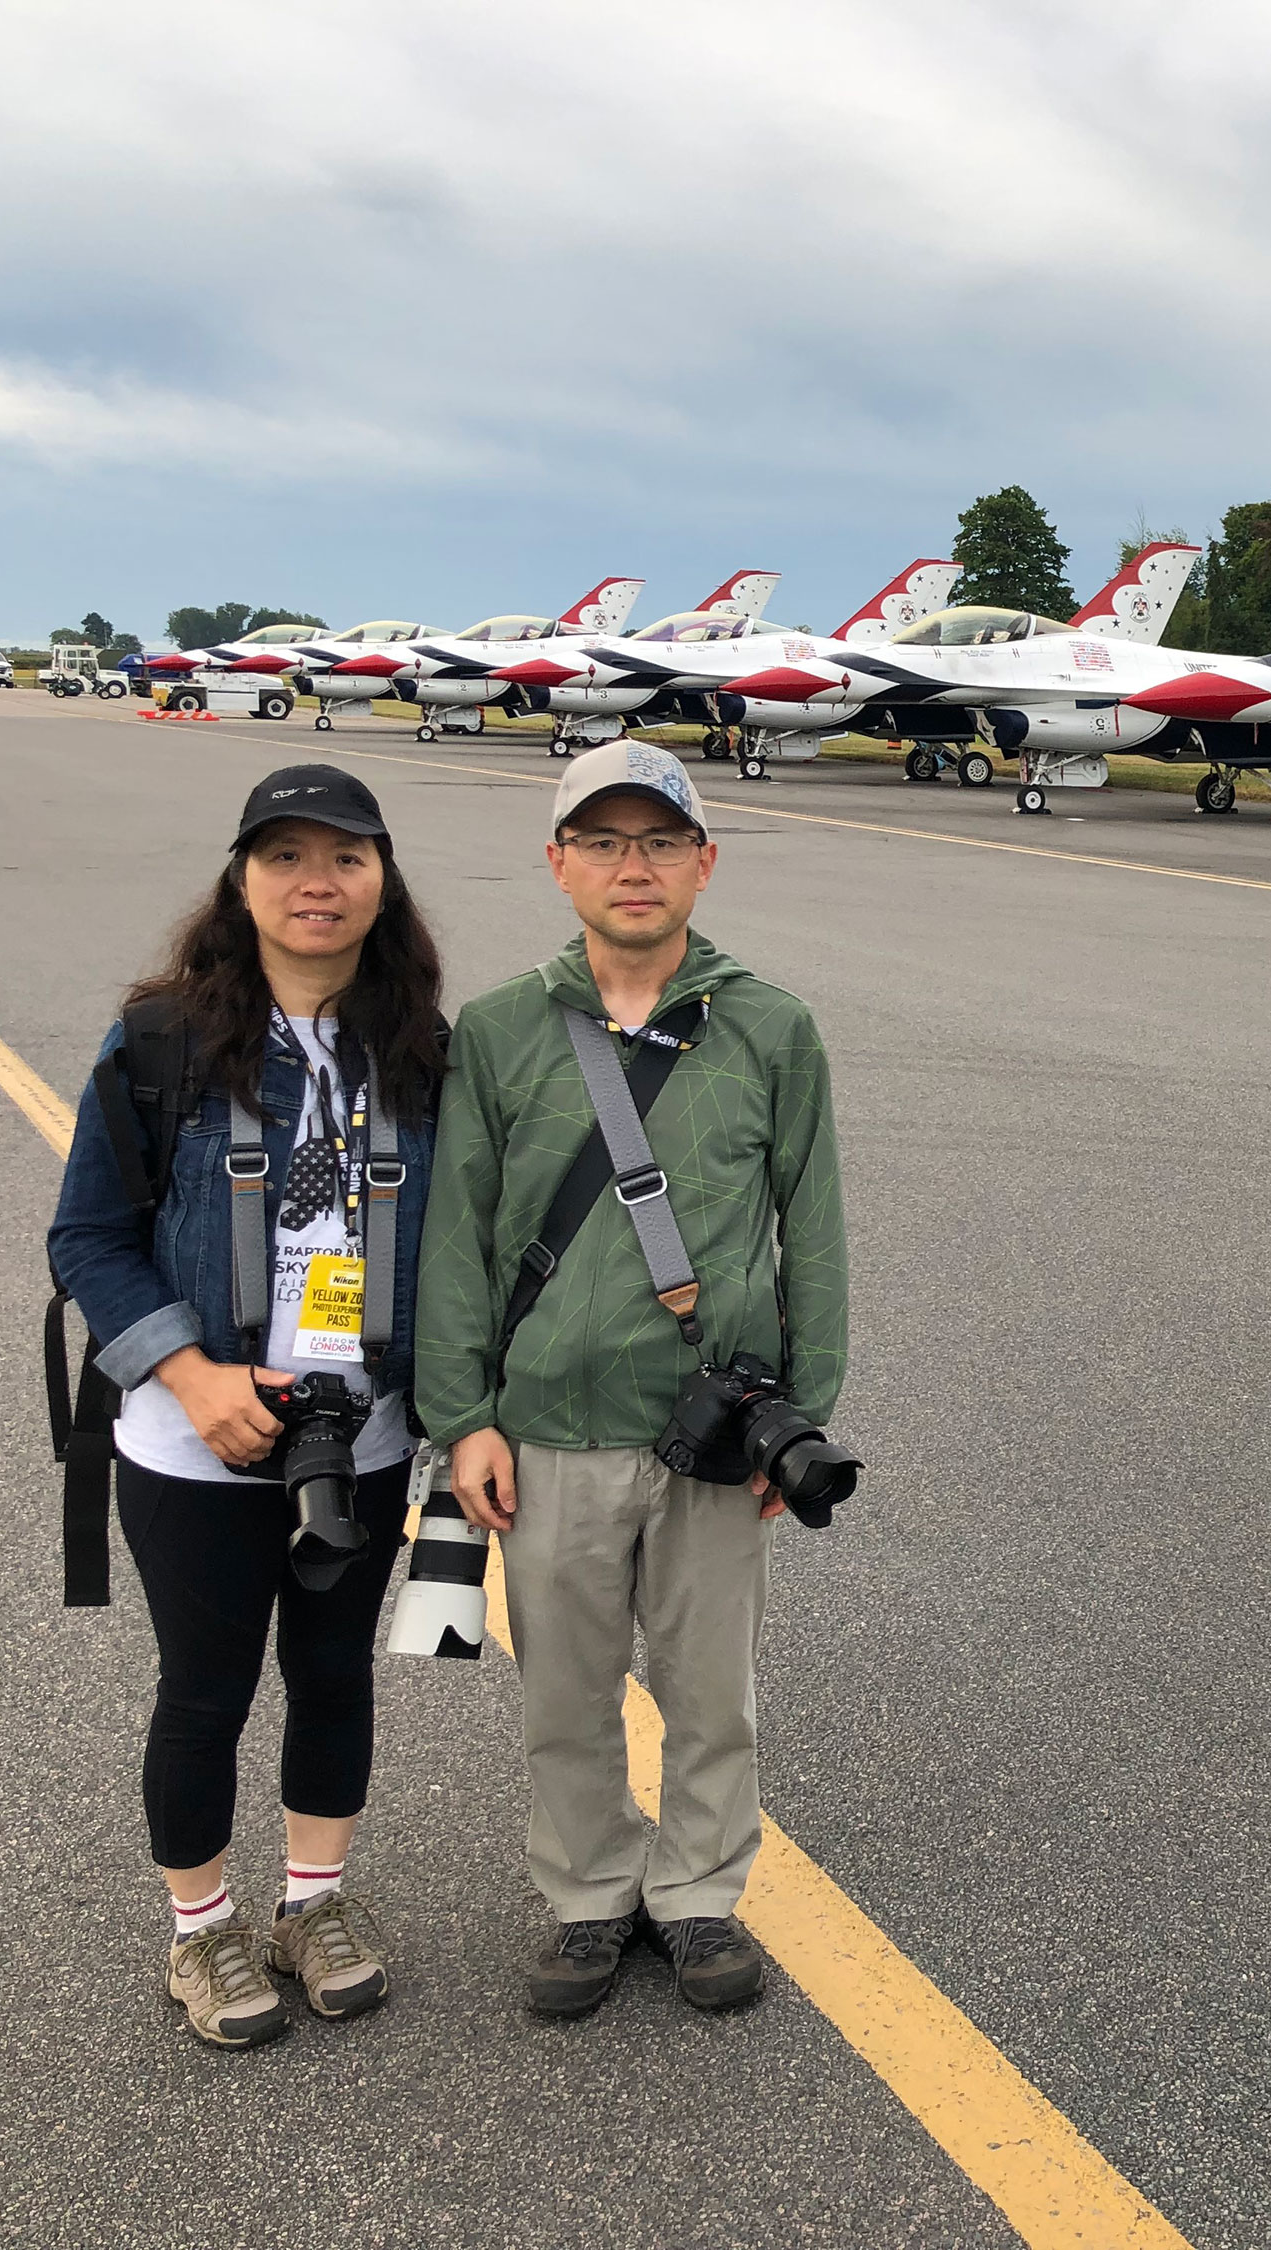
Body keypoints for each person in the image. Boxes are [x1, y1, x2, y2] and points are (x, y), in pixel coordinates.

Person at [415, 742, 845, 2018]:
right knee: (566, 1687)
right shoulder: (499, 1031)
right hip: (547, 1424)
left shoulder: (769, 1027)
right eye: (600, 841)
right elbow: (456, 1236)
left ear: (704, 862)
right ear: (559, 866)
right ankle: (592, 1893)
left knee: (712, 1687)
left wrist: (800, 1416)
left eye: (659, 841)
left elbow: (811, 1226)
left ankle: (701, 1893)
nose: (632, 866)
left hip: (713, 1427)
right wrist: (464, 1419)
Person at [47, 765, 449, 2048]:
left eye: (345, 857)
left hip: (364, 1430)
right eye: (285, 858)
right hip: (195, 1434)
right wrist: (189, 1372)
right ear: (241, 881)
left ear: (384, 881)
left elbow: (467, 1244)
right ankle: (202, 1931)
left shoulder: (427, 1051)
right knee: (205, 1690)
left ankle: (314, 1905)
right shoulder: (162, 1039)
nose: (315, 883)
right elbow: (89, 1240)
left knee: (335, 1676)